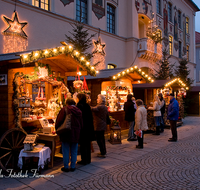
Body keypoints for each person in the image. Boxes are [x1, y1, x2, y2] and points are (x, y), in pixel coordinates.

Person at [55, 98, 83, 172]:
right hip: (76, 132)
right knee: (74, 150)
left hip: (66, 132)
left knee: (66, 150)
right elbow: (81, 123)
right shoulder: (79, 111)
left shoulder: (64, 109)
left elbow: (59, 120)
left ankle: (66, 167)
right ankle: (73, 166)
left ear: (67, 103)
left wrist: (57, 129)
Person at [76, 93, 94, 165]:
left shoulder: (79, 106)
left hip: (83, 128)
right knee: (87, 144)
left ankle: (84, 160)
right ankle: (88, 159)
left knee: (83, 144)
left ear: (79, 98)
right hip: (88, 127)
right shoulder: (87, 105)